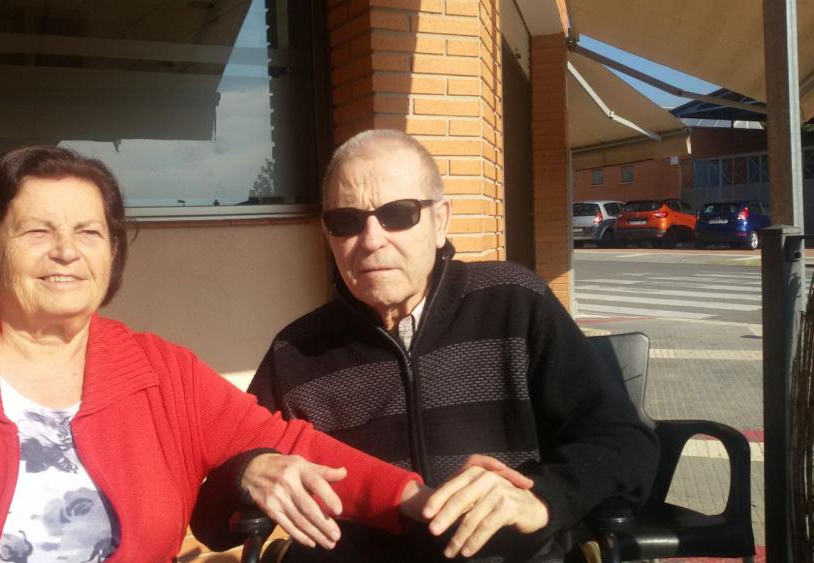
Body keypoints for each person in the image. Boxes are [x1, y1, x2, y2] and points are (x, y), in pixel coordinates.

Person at [0, 145, 444, 562]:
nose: (67, 251)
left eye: (89, 232)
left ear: (111, 255)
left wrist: (416, 500)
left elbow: (291, 443)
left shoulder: (160, 374)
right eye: (37, 231)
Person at [191, 129, 659, 562]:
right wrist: (248, 473)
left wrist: (543, 499)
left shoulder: (515, 304)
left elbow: (626, 443)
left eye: (398, 214)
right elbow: (211, 522)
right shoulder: (295, 351)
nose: (371, 240)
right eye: (346, 221)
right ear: (327, 235)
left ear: (440, 221)